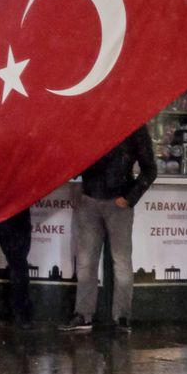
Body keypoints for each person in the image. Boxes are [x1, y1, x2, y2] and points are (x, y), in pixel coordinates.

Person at [61, 123, 157, 332]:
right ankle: (113, 317)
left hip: (107, 200)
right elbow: (149, 169)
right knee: (109, 263)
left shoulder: (108, 123)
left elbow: (150, 169)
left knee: (104, 262)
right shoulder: (127, 123)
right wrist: (129, 197)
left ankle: (97, 315)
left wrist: (129, 198)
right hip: (102, 199)